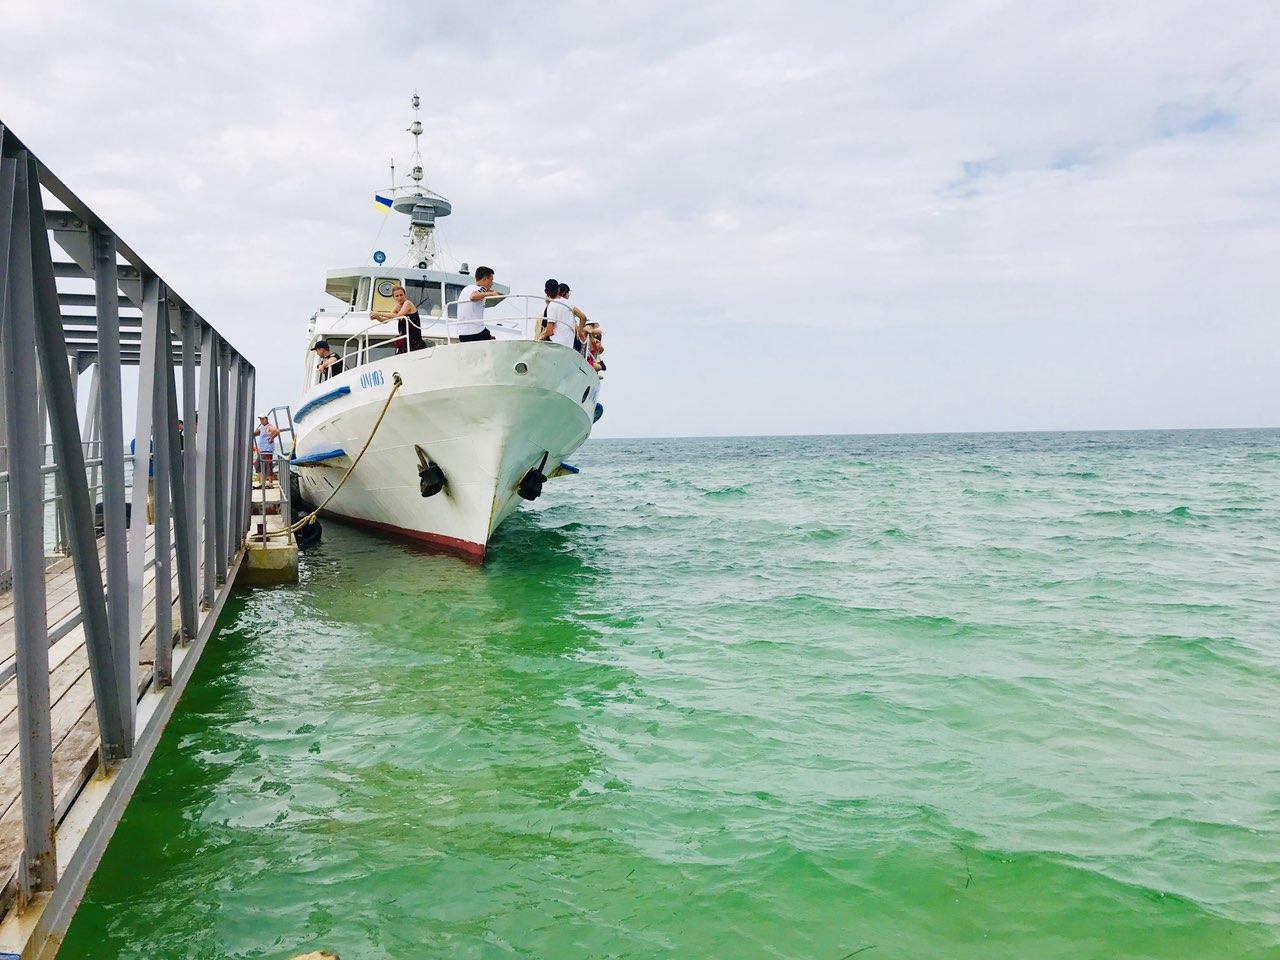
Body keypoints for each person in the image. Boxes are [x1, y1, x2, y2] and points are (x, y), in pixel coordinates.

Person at [370, 285, 424, 354]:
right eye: (397, 296)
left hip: (416, 343)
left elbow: (399, 315)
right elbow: (384, 321)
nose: (399, 297)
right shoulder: (397, 307)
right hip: (405, 343)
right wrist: (376, 317)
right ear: (394, 298)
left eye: (401, 295)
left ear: (405, 295)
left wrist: (378, 313)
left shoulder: (408, 303)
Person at [455, 266, 500, 342]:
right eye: (491, 280)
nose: (492, 284)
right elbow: (473, 296)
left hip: (462, 334)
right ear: (485, 279)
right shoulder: (480, 288)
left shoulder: (467, 288)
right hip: (475, 333)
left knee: (488, 335)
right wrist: (492, 294)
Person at [539, 278, 580, 348]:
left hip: (557, 344)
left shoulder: (552, 305)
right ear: (558, 289)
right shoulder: (568, 303)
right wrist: (581, 333)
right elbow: (583, 317)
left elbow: (549, 331)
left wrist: (542, 337)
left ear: (545, 291)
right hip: (569, 344)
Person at [557, 282, 590, 351]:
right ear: (564, 293)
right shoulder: (567, 304)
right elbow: (583, 317)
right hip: (567, 339)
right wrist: (580, 332)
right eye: (568, 292)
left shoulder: (553, 303)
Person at [256, 415, 280, 488]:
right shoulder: (262, 427)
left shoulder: (269, 426)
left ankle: (270, 484)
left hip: (267, 450)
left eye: (263, 419)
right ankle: (262, 483)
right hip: (262, 450)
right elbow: (256, 433)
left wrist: (271, 438)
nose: (261, 420)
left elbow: (277, 431)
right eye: (260, 419)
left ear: (266, 419)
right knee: (258, 465)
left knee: (268, 466)